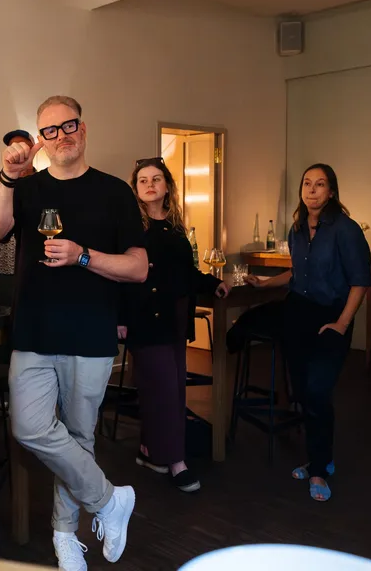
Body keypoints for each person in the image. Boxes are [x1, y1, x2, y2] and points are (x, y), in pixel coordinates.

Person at [0, 95, 148, 570]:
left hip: (91, 332)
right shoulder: (27, 188)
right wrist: (10, 174)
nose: (61, 136)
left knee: (79, 437)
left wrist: (83, 256)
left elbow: (138, 268)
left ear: (84, 127)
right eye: (49, 130)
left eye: (68, 125)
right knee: (29, 426)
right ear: (40, 139)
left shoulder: (115, 191)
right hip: (34, 331)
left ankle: (65, 540)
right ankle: (110, 500)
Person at [246, 163, 370, 502]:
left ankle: (317, 469)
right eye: (307, 183)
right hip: (297, 314)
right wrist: (264, 283)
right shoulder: (298, 229)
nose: (312, 189)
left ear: (331, 192)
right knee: (302, 390)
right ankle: (321, 459)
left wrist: (342, 324)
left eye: (320, 184)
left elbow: (360, 282)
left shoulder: (346, 229)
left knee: (317, 390)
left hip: (332, 317)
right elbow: (296, 273)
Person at [118, 157, 229, 494]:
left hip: (176, 317)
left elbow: (186, 272)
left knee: (169, 386)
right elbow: (120, 274)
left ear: (167, 186)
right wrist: (120, 317)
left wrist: (213, 284)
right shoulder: (129, 227)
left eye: (156, 179)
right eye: (142, 180)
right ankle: (176, 461)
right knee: (164, 389)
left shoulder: (178, 228)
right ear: (135, 189)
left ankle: (149, 450)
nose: (150, 185)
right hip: (143, 317)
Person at [0, 129, 36, 365]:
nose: (19, 151)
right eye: (13, 147)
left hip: (34, 266)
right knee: (3, 323)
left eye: (23, 146)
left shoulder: (42, 182)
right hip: (5, 267)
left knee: (31, 322)